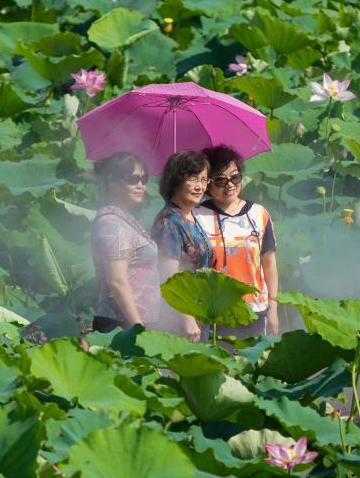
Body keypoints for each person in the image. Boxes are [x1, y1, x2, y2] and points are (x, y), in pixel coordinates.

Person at [195, 145, 280, 338]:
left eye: (235, 177)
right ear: (208, 184)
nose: (230, 185)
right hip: (213, 312)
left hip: (255, 309)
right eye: (220, 180)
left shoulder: (259, 214)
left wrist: (273, 307)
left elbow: (269, 263)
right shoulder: (196, 216)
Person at [90, 152, 161, 333]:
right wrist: (138, 328)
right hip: (122, 323)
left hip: (137, 320)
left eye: (144, 179)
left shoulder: (125, 219)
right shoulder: (111, 223)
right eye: (132, 179)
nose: (140, 186)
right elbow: (117, 281)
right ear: (111, 180)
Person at [151, 150, 212, 341]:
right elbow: (169, 276)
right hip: (180, 316)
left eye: (204, 180)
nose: (200, 186)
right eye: (193, 179)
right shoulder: (169, 222)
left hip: (199, 310)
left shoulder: (191, 217)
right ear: (176, 180)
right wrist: (186, 318)